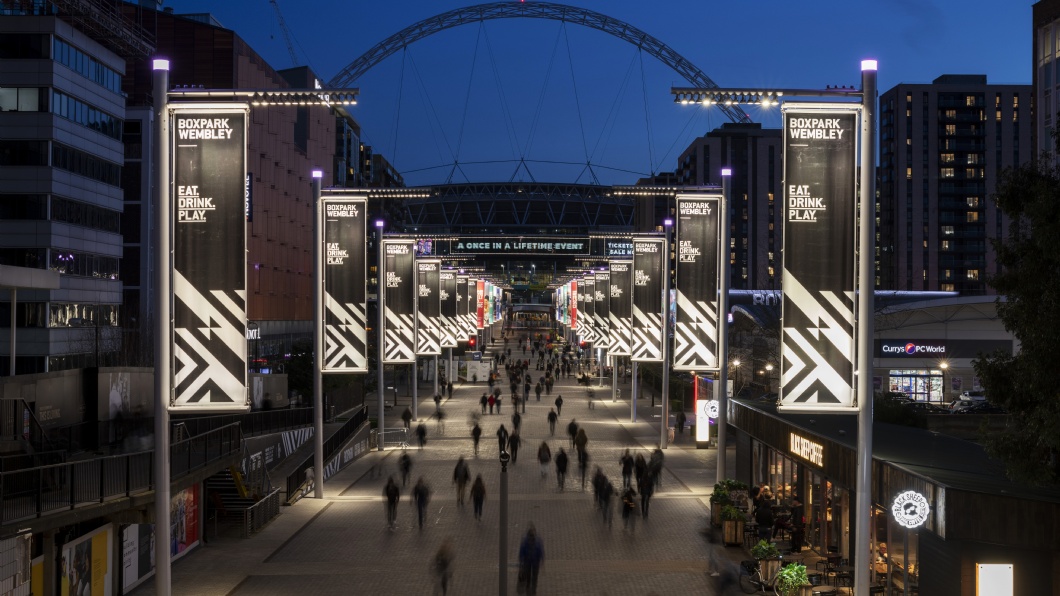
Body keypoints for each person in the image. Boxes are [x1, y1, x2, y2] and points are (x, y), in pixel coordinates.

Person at [518, 524, 544, 595]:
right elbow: (522, 552)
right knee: (528, 576)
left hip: (535, 562)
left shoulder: (537, 542)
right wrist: (521, 561)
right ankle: (528, 588)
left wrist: (541, 559)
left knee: (535, 577)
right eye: (530, 537)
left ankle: (533, 590)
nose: (531, 539)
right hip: (528, 562)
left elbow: (541, 551)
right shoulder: (525, 542)